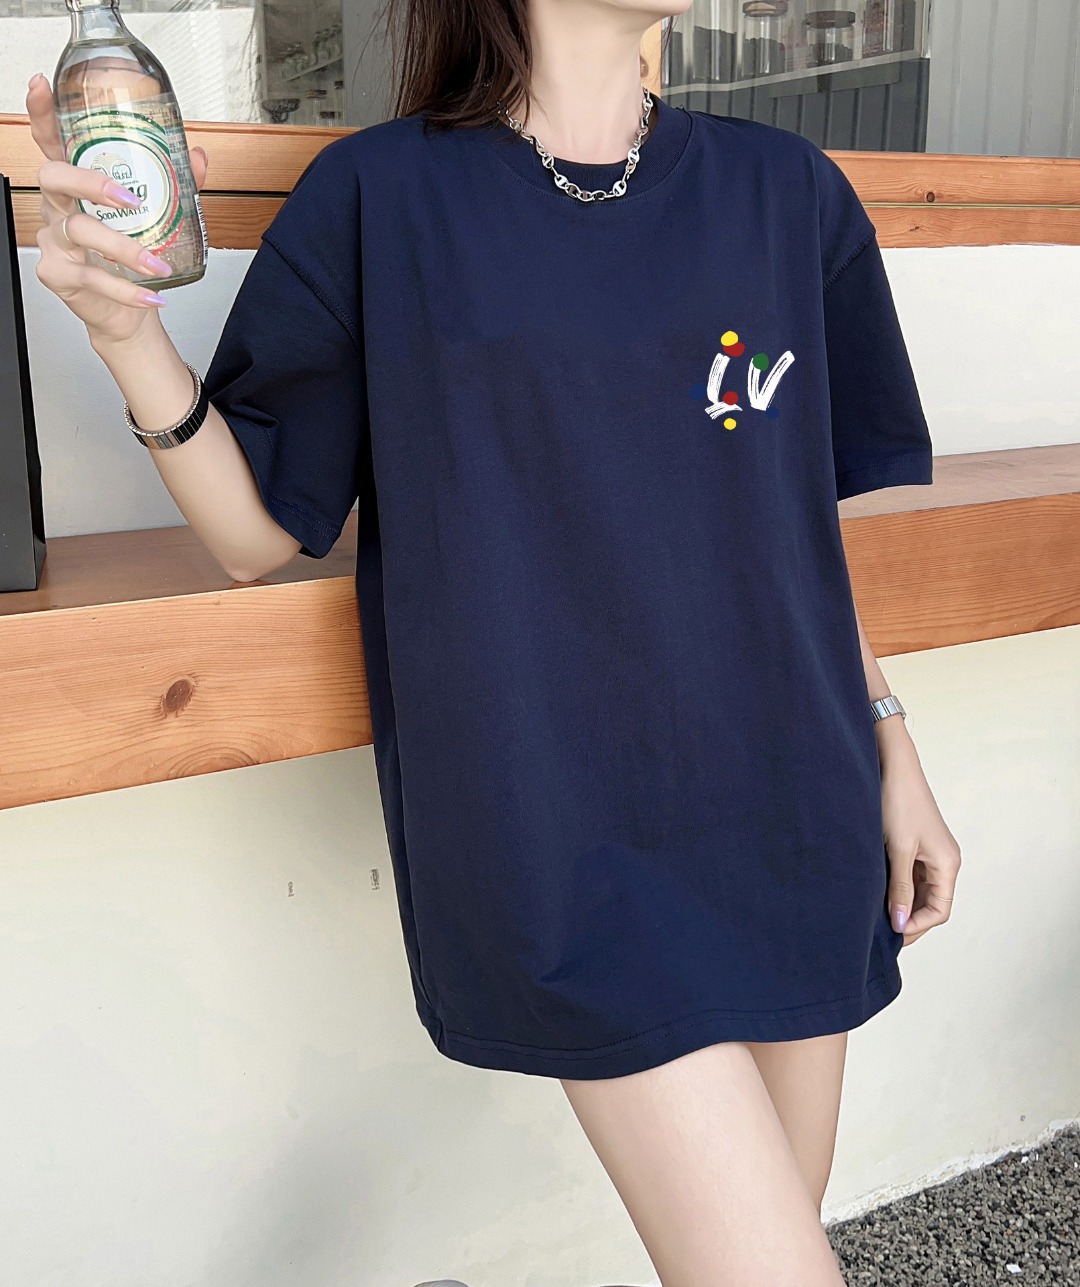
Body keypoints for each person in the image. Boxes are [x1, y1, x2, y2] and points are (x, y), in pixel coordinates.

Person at [25, 1, 962, 1282]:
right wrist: (127, 336)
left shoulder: (788, 194)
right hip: (561, 833)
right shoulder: (382, 198)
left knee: (776, 1234)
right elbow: (255, 534)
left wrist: (892, 742)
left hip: (793, 806)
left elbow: (795, 532)